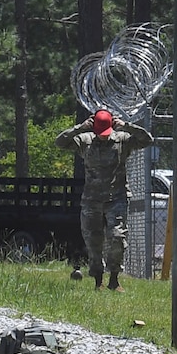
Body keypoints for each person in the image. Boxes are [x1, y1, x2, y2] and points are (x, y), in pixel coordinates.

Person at [56, 108, 155, 289]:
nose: (103, 136)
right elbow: (60, 142)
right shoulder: (85, 141)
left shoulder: (122, 140)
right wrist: (80, 128)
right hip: (92, 200)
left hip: (116, 198)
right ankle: (98, 280)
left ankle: (114, 280)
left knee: (117, 238)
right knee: (93, 240)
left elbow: (147, 140)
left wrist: (127, 126)